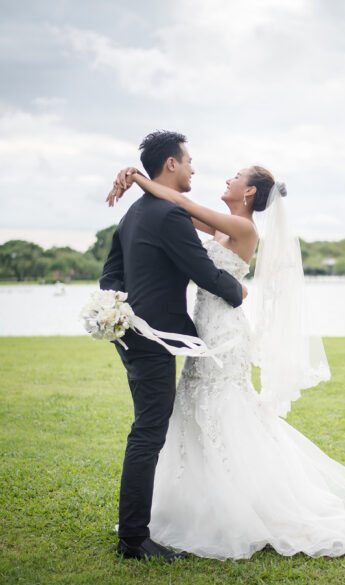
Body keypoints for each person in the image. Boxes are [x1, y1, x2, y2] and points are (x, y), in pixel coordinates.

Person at [107, 162, 345, 560]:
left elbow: (175, 200)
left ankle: (247, 509)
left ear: (250, 193)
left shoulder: (243, 228)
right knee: (194, 411)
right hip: (202, 331)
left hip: (224, 332)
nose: (227, 179)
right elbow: (173, 209)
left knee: (224, 411)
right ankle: (202, 506)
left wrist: (139, 178)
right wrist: (139, 182)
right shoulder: (222, 226)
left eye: (235, 177)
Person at [100, 130, 246, 561]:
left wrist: (116, 312)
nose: (193, 168)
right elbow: (202, 271)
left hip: (132, 334)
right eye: (188, 161)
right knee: (148, 432)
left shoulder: (134, 213)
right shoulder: (167, 214)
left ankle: (135, 532)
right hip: (153, 338)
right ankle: (133, 540)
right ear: (171, 164)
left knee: (148, 428)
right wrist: (237, 292)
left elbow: (110, 273)